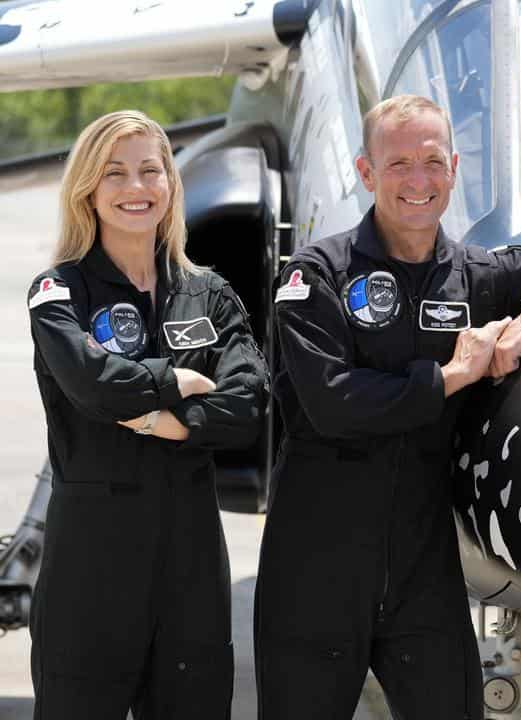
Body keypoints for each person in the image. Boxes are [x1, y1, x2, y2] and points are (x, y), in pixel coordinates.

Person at [255, 94, 521, 719]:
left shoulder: (479, 276)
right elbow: (334, 403)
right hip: (317, 563)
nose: (419, 181)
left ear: (454, 167)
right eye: (399, 163)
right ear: (365, 173)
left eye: (433, 162)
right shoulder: (316, 274)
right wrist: (451, 375)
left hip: (424, 565)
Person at [25, 110, 268, 718]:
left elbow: (251, 402)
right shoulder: (59, 293)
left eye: (149, 170)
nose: (136, 188)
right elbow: (93, 385)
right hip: (92, 564)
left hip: (189, 565)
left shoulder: (208, 292)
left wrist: (172, 421)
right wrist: (176, 377)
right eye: (115, 173)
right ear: (88, 188)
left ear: (170, 184)